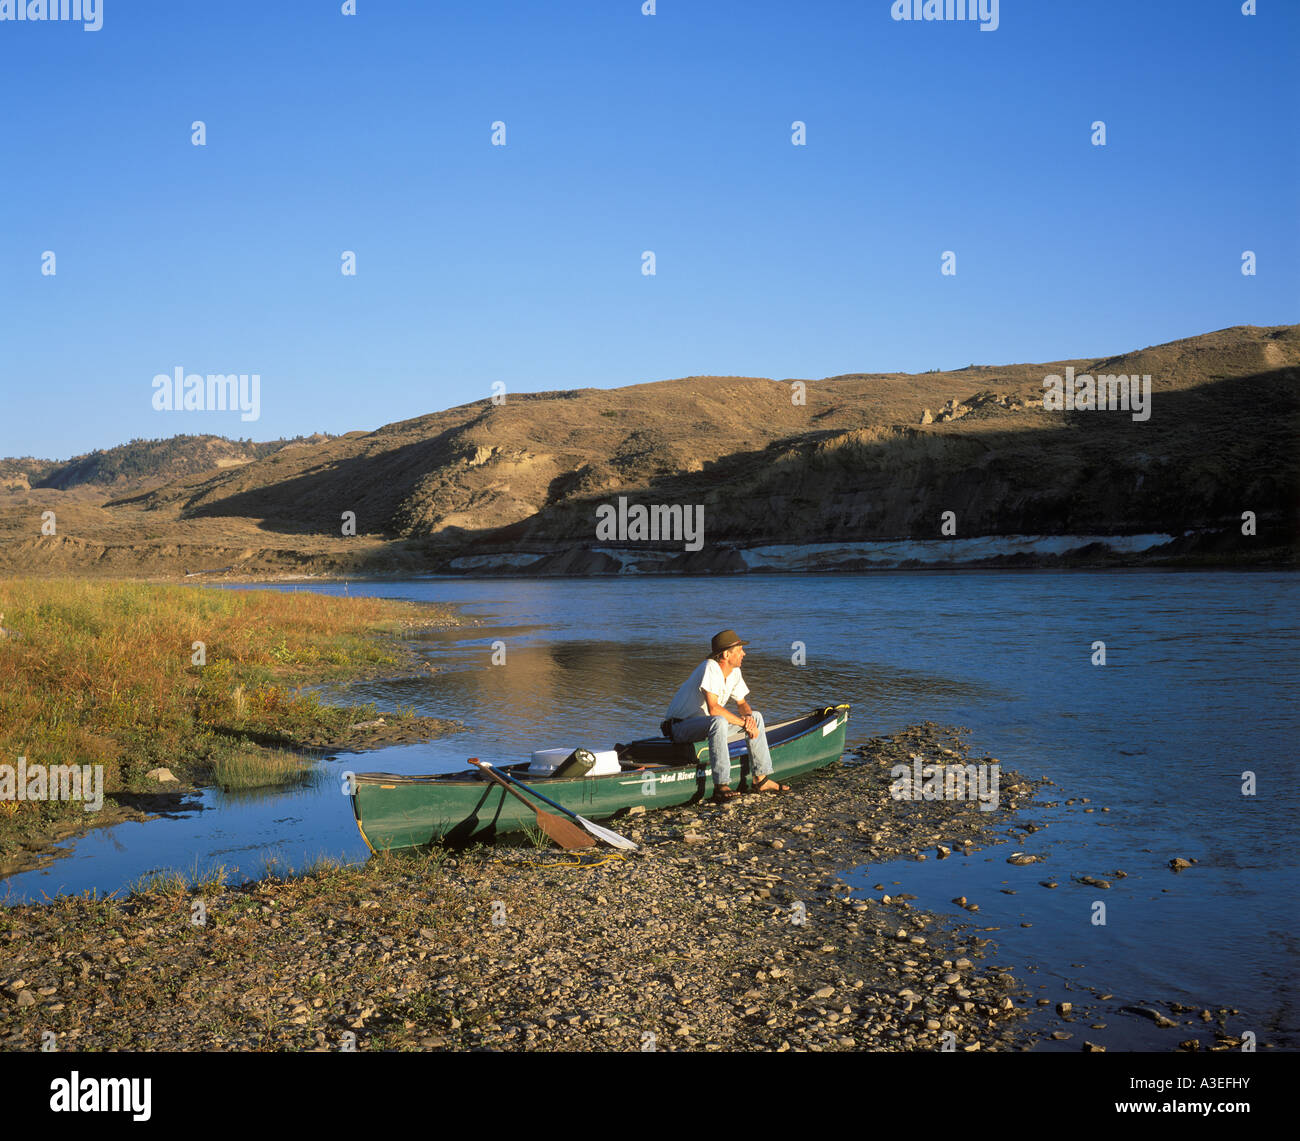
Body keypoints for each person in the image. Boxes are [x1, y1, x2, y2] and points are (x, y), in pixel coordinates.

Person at [661, 629, 790, 802]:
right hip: (680, 727)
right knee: (719, 721)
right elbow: (714, 709)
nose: (744, 653)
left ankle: (761, 779)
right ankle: (721, 784)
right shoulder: (710, 667)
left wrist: (749, 719)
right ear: (726, 655)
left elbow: (742, 703)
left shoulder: (734, 672)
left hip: (705, 725)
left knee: (757, 717)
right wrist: (744, 724)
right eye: (739, 650)